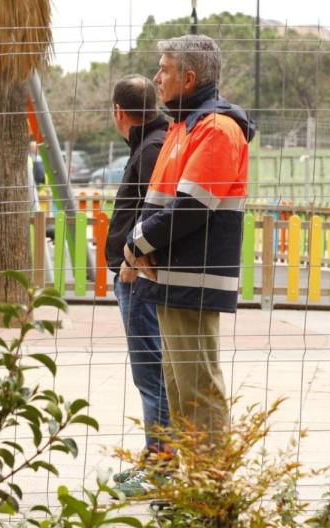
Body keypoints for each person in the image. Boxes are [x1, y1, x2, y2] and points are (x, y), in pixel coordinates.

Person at [124, 35, 255, 467]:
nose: (157, 79)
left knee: (198, 388)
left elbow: (192, 207)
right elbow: (159, 203)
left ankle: (211, 496)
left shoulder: (215, 129)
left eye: (163, 70)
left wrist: (136, 245)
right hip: (169, 277)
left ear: (189, 76)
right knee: (179, 389)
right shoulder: (184, 126)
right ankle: (193, 491)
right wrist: (139, 250)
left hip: (192, 279)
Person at [103, 75, 170, 497]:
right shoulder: (157, 142)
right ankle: (157, 457)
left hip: (140, 278)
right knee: (153, 373)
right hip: (139, 275)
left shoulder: (150, 149)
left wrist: (131, 258)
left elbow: (155, 212)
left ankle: (160, 466)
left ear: (118, 112)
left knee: (151, 375)